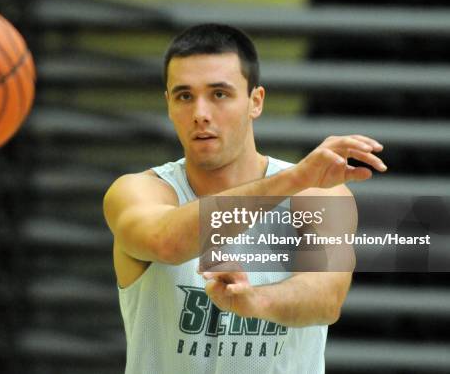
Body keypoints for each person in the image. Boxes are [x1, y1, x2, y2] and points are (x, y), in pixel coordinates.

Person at [103, 24, 387, 373]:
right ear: (168, 105)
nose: (200, 113)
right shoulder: (138, 191)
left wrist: (254, 301)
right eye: (184, 96)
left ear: (255, 101)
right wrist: (292, 179)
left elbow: (326, 298)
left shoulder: (316, 195)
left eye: (219, 94)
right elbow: (165, 241)